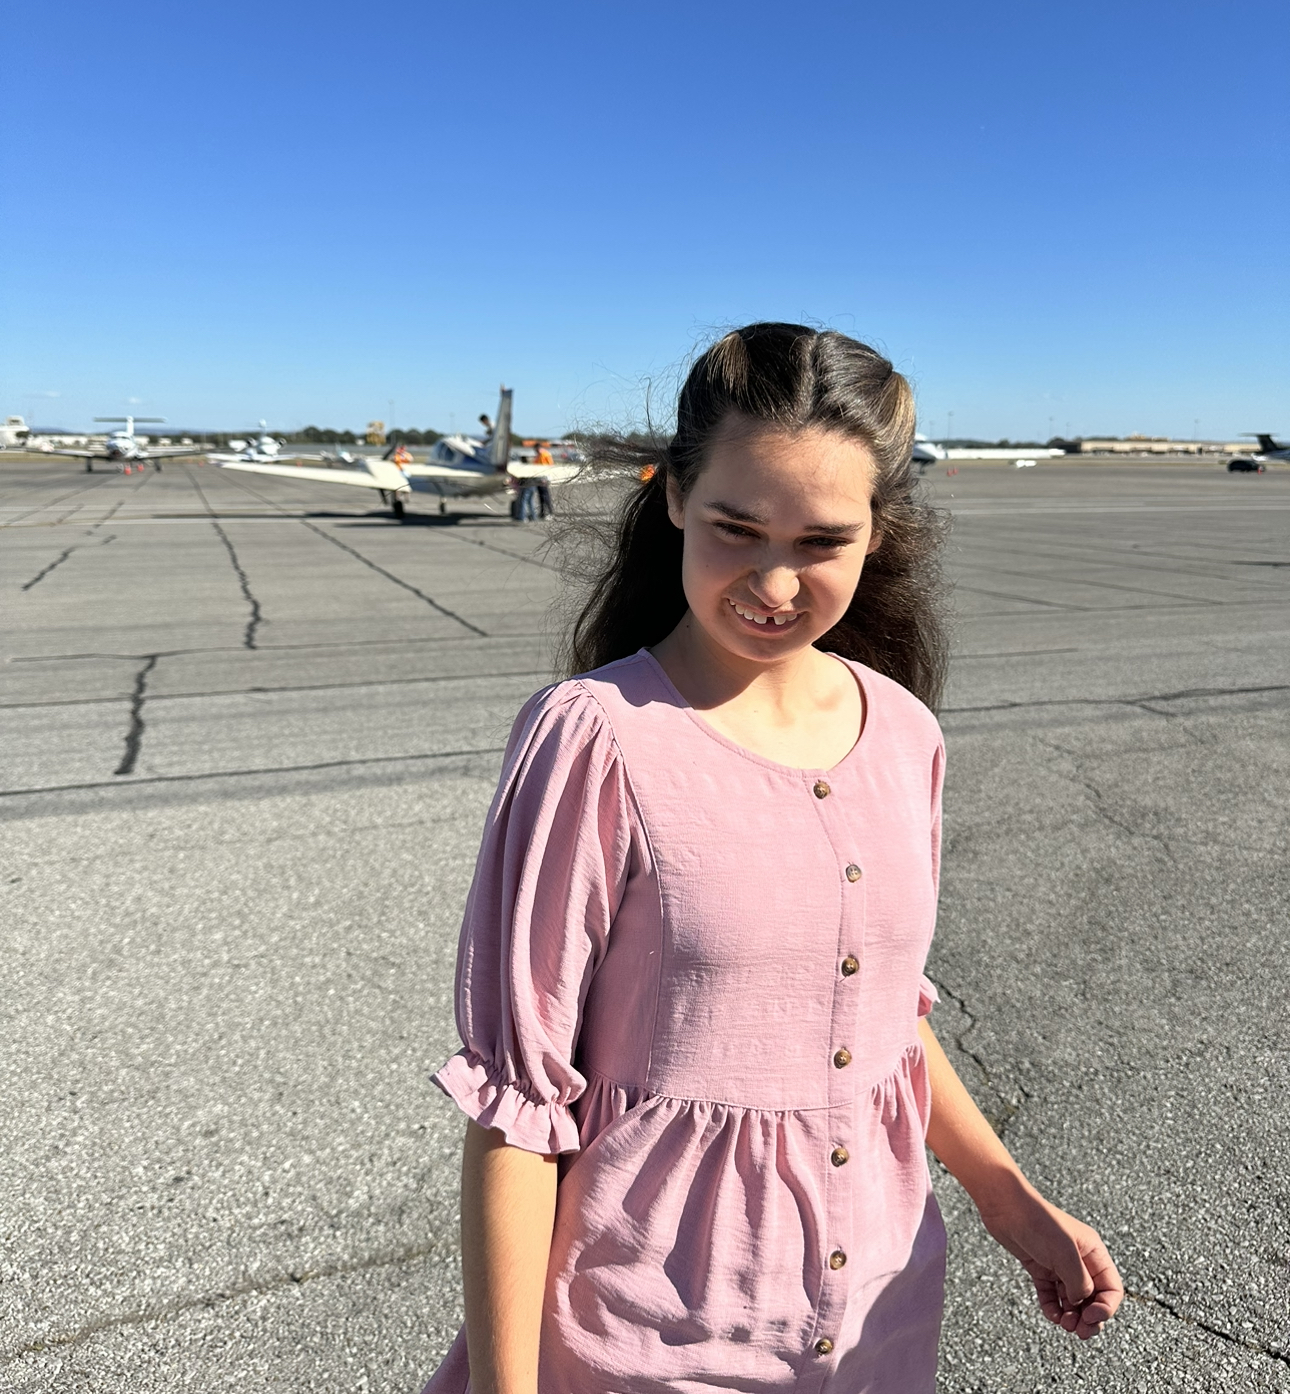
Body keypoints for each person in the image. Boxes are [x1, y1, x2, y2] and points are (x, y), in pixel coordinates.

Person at [423, 323, 1123, 1394]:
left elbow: (885, 1023)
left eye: (821, 542)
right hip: (646, 1337)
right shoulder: (595, 738)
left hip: (878, 1323)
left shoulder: (906, 734)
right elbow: (518, 1107)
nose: (776, 583)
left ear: (878, 533)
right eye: (736, 529)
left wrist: (1011, 1199)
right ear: (673, 497)